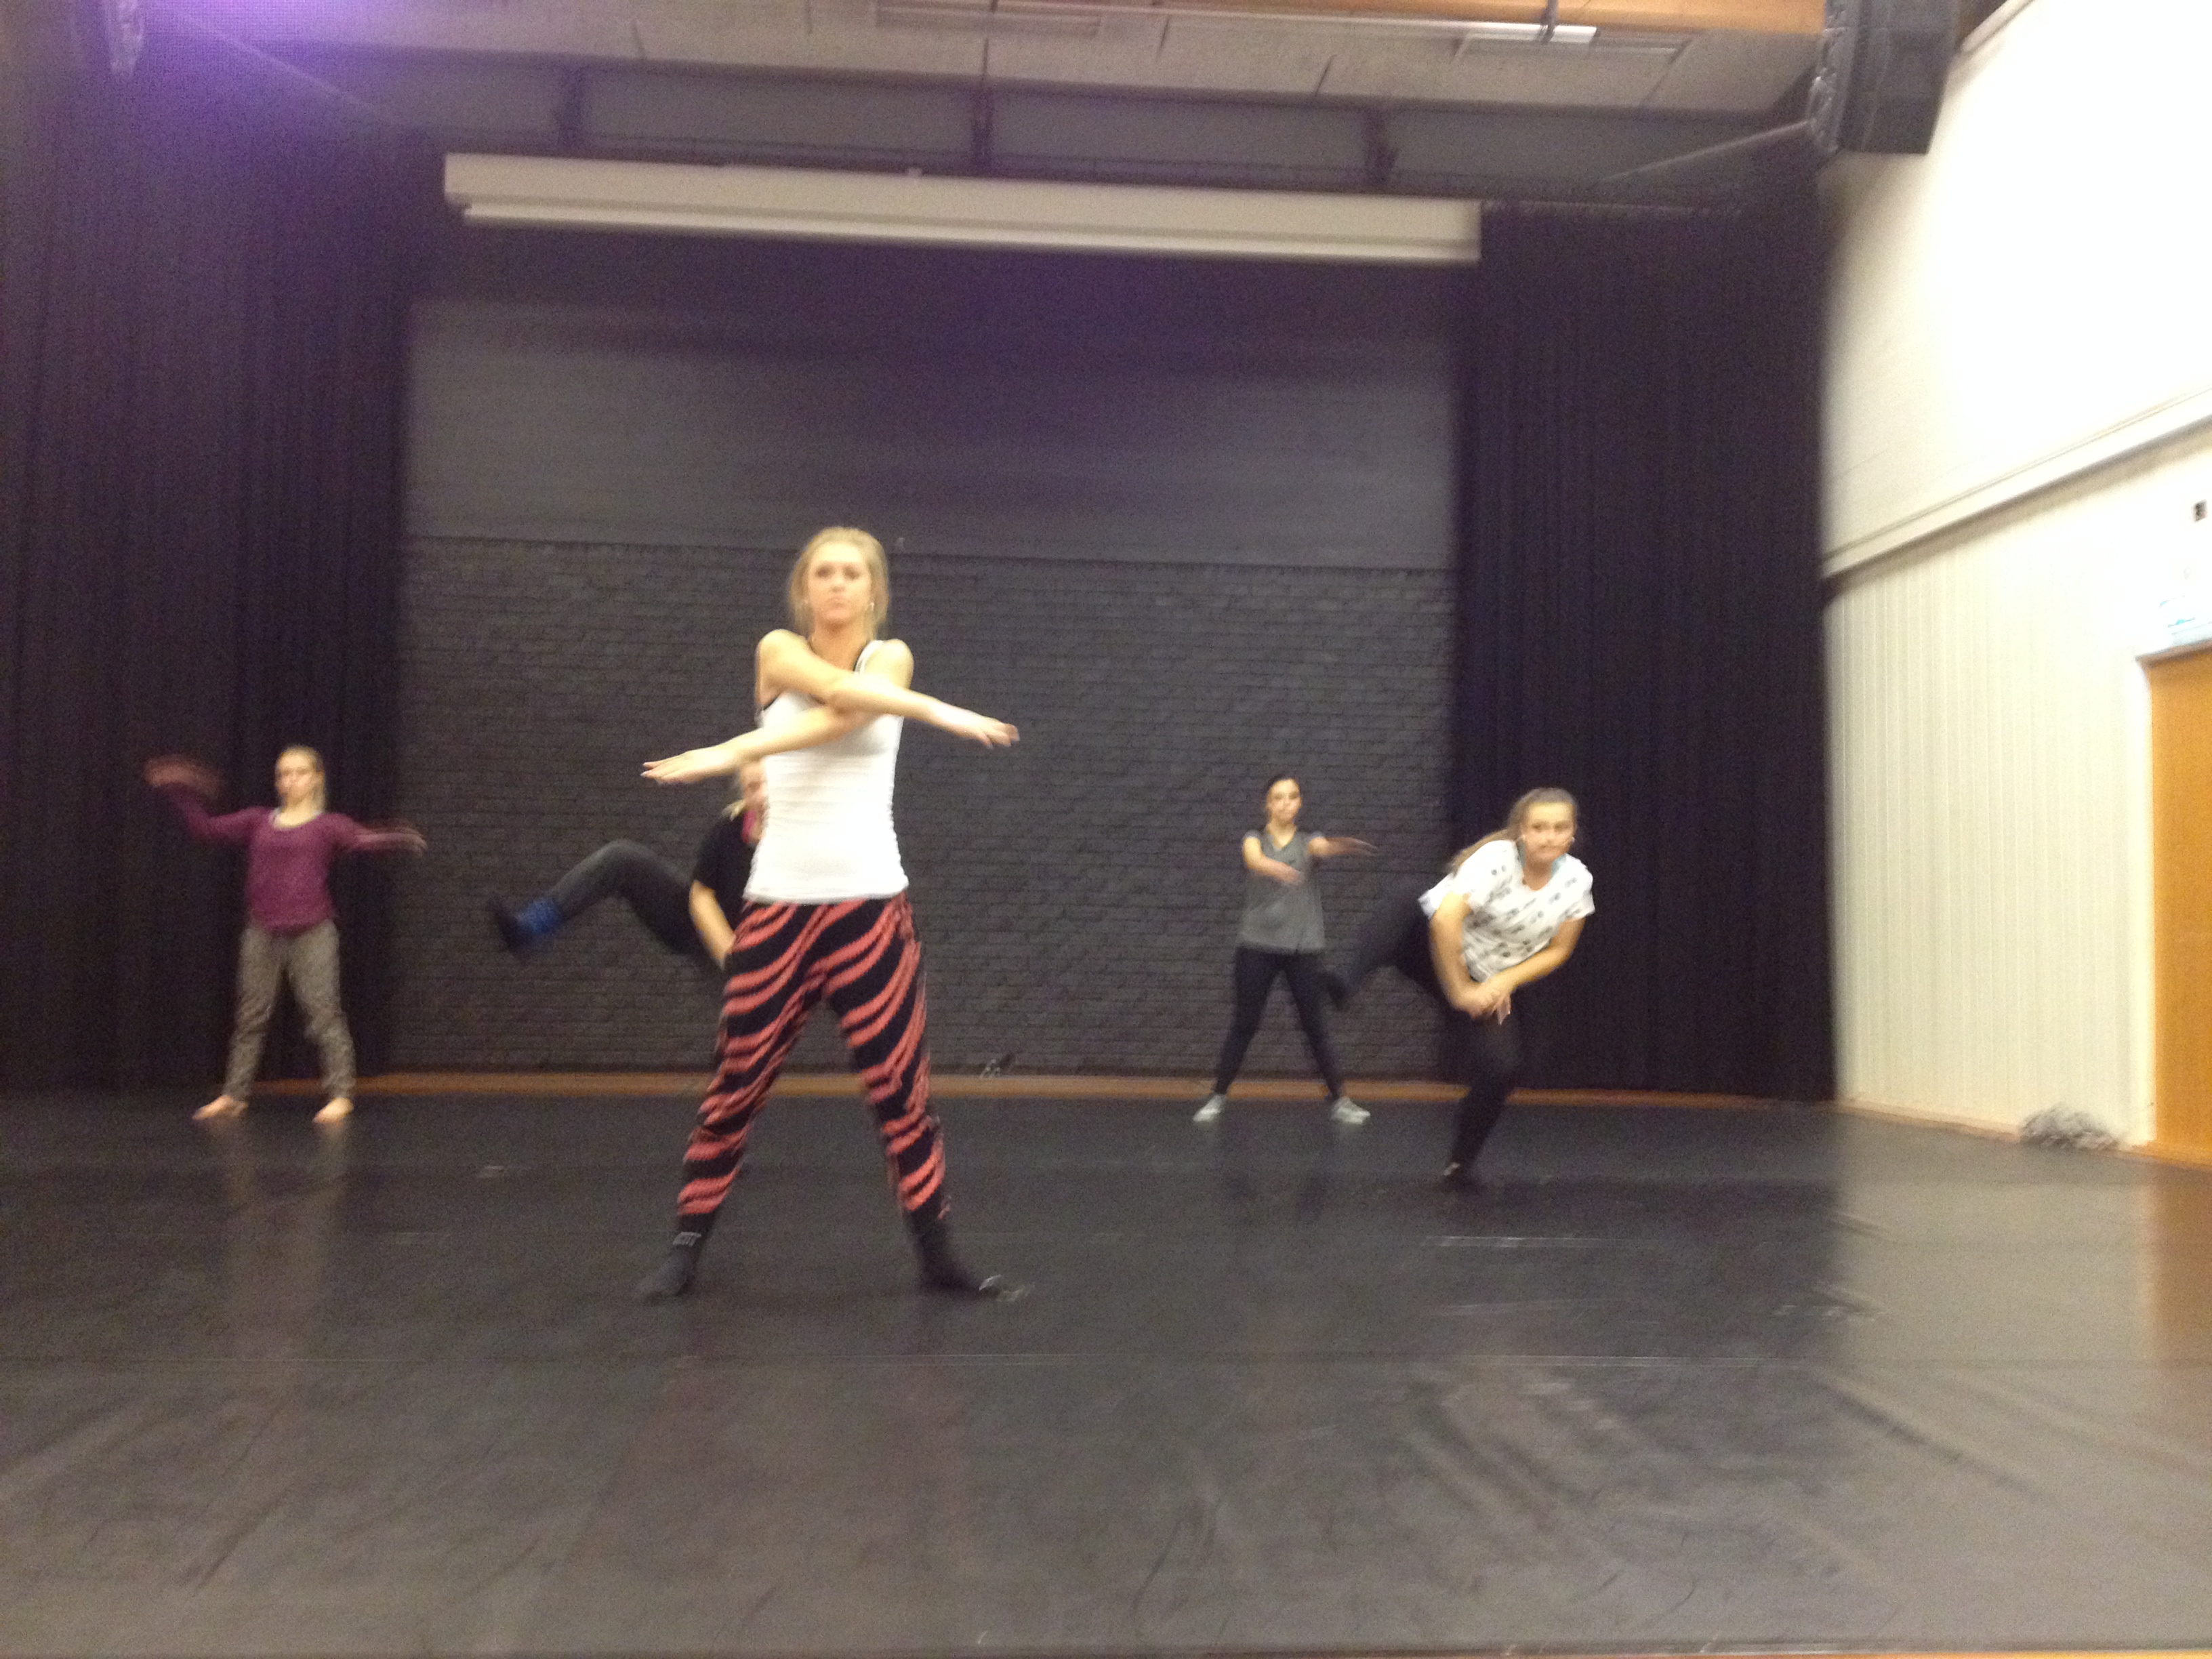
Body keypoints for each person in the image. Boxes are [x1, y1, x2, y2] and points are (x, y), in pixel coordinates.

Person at [633, 526, 1020, 1302]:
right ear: (805, 589)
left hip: (871, 908)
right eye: (824, 573)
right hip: (778, 908)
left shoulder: (891, 657)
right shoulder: (777, 650)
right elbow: (838, 699)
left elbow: (852, 711)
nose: (837, 584)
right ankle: (685, 1246)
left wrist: (730, 751)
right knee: (735, 1084)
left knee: (902, 1091)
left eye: (851, 573)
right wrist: (936, 712)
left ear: (873, 590)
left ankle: (938, 1253)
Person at [145, 747, 426, 1124]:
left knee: (323, 1013)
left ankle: (341, 1095)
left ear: (316, 778)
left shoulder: (329, 825)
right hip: (262, 931)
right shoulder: (258, 820)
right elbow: (205, 830)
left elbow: (365, 840)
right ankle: (234, 1095)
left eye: (299, 772)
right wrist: (181, 792)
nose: (290, 780)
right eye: (283, 774)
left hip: (313, 931)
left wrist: (400, 837)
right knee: (250, 1017)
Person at [1334, 788, 1591, 1185]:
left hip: (1486, 977)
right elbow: (1444, 920)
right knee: (1407, 898)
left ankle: (1459, 1165)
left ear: (1572, 833)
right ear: (1521, 832)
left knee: (1501, 1068)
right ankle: (1345, 982)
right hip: (1432, 951)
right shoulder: (1497, 859)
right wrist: (1459, 990)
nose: (1549, 837)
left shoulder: (1576, 880)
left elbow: (1559, 950)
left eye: (1560, 828)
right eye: (1540, 827)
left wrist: (1502, 981)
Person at [1193, 774, 1374, 1126]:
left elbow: (1320, 848)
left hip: (1303, 949)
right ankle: (1217, 1096)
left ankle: (1340, 1100)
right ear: (1267, 804)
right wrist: (1276, 867)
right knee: (1245, 1023)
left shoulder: (1308, 840)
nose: (1285, 803)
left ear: (1300, 802)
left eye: (1292, 797)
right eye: (1278, 797)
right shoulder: (1254, 838)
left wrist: (1338, 846)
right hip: (1257, 947)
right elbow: (1253, 859)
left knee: (1315, 1027)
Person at [488, 762, 765, 970]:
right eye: (752, 787)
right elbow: (701, 895)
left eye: (769, 785)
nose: (762, 797)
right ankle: (530, 928)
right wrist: (728, 955)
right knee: (622, 859)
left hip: (762, 952)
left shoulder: (789, 839)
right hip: (710, 932)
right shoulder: (729, 827)